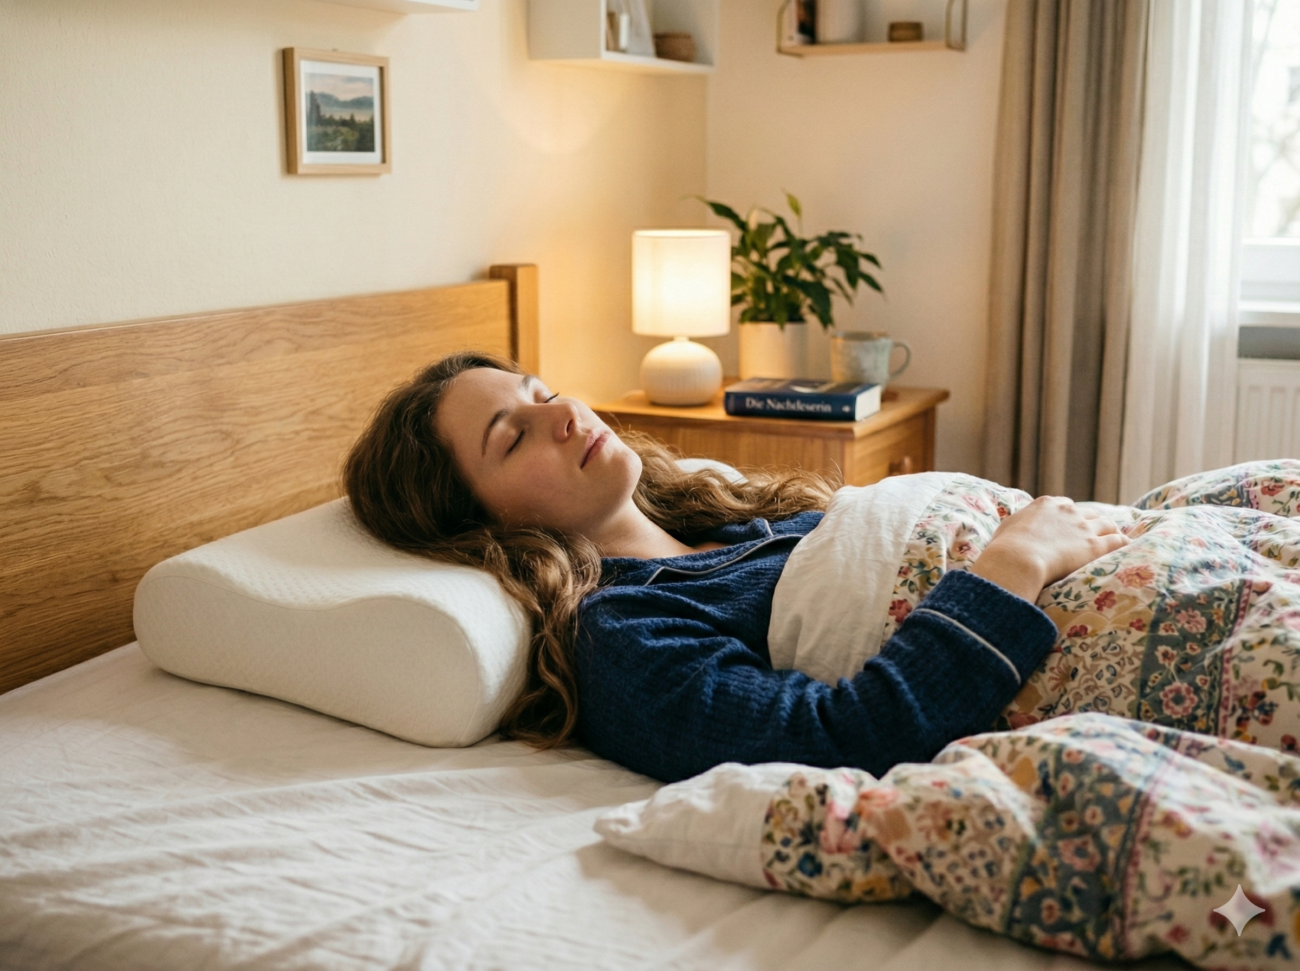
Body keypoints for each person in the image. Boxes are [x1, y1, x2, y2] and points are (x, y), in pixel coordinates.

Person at [345, 352, 1127, 783]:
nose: (565, 414)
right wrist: (1015, 558)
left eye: (542, 390)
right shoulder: (623, 635)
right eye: (512, 436)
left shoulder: (735, 520)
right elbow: (839, 741)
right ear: (484, 530)